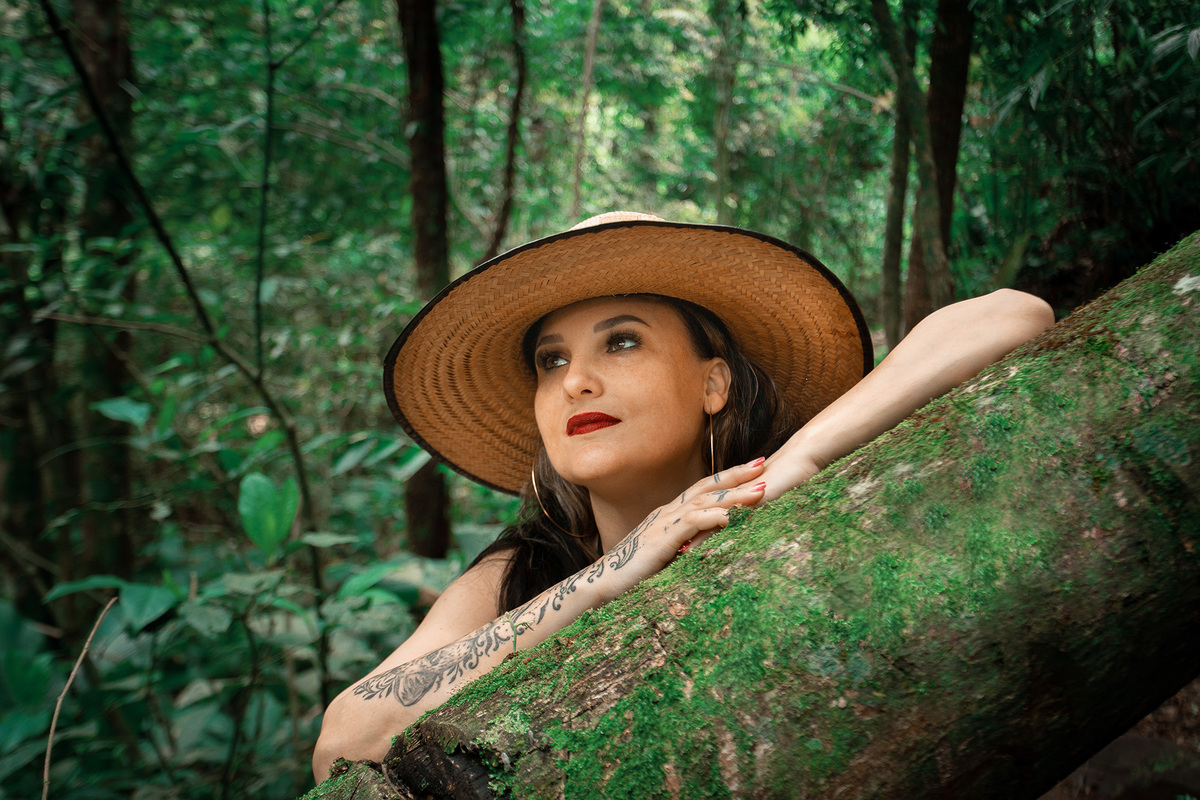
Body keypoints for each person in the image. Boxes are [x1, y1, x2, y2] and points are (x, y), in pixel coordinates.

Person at [312, 212, 1053, 779]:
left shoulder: (795, 496)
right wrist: (619, 568)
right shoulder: (521, 569)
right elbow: (342, 743)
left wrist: (792, 466)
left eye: (622, 341)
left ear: (713, 382)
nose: (576, 380)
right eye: (551, 359)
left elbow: (1013, 314)